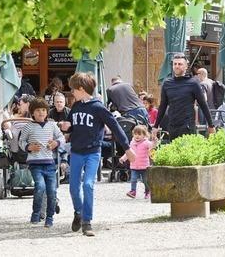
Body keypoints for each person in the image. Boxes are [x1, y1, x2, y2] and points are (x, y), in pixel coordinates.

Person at [59, 72, 135, 237]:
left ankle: (87, 222)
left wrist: (127, 148)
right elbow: (72, 125)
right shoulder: (76, 106)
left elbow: (115, 127)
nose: (72, 93)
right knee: (73, 188)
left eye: (73, 90)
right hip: (76, 152)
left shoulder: (98, 107)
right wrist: (67, 126)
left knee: (88, 185)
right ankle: (78, 212)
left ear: (81, 89)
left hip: (93, 152)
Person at [19, 97, 65, 227]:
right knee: (40, 186)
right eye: (38, 110)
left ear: (47, 112)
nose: (41, 113)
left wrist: (56, 143)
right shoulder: (28, 127)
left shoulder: (52, 125)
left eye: (44, 110)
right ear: (32, 112)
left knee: (52, 191)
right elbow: (21, 142)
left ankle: (49, 217)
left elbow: (61, 137)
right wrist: (29, 147)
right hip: (35, 163)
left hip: (49, 163)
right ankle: (36, 213)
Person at [152, 53, 215, 141]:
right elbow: (162, 106)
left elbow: (203, 104)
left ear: (186, 66)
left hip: (187, 126)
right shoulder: (167, 83)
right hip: (172, 126)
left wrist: (211, 125)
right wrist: (155, 126)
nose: (177, 66)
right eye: (175, 64)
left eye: (180, 64)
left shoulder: (193, 83)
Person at [120, 125, 156, 199]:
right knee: (133, 179)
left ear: (144, 135)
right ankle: (133, 191)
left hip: (144, 166)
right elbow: (129, 153)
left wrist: (154, 141)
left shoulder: (146, 143)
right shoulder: (132, 143)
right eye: (135, 134)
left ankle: (147, 191)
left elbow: (152, 146)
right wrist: (123, 158)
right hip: (134, 166)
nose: (137, 136)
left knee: (145, 181)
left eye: (139, 134)